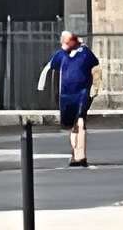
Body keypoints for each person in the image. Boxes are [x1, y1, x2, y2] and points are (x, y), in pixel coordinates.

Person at [38, 30, 101, 166]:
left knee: (80, 122)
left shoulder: (85, 53)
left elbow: (96, 68)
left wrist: (95, 86)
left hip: (82, 93)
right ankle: (75, 153)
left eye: (66, 41)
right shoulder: (61, 55)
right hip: (66, 95)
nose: (64, 43)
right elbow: (52, 66)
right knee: (72, 126)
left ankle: (81, 156)